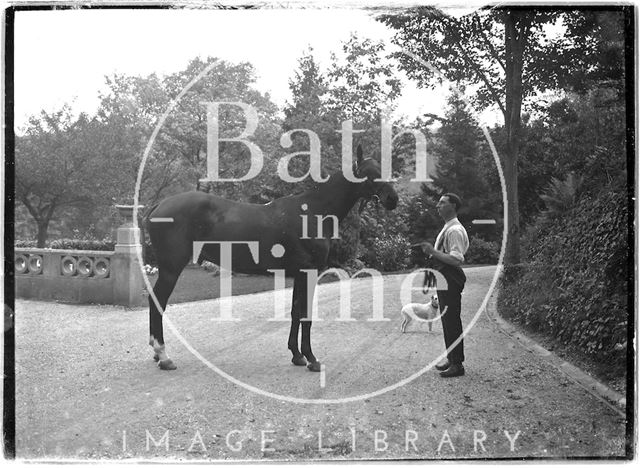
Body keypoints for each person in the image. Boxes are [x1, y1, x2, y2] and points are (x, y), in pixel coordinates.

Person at [420, 193, 469, 378]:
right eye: (439, 203)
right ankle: (452, 358)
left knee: (452, 320)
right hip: (445, 276)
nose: (438, 206)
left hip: (450, 276)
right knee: (447, 320)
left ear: (453, 206)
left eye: (442, 203)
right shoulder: (448, 227)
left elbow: (456, 259)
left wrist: (432, 251)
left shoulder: (454, 230)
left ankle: (457, 364)